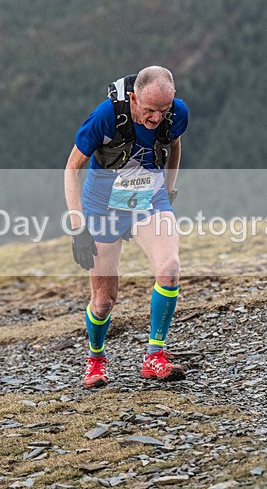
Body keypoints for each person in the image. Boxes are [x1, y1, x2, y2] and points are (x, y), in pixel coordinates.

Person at [64, 66, 188, 388]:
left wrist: (169, 190)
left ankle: (154, 356)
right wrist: (78, 226)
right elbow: (72, 168)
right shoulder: (106, 116)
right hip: (103, 206)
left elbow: (174, 145)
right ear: (133, 98)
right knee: (104, 301)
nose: (156, 119)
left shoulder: (176, 114)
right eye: (149, 111)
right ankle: (95, 360)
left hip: (149, 199)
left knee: (170, 267)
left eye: (163, 110)